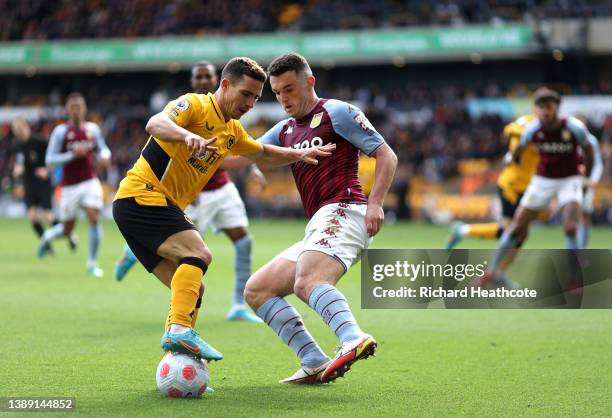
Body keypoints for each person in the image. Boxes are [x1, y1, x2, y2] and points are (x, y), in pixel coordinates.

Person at [112, 57, 335, 362]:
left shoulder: (232, 132)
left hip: (148, 206)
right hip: (142, 195)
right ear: (225, 84)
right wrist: (186, 134)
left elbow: (263, 153)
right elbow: (155, 124)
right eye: (246, 94)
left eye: (256, 98)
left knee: (194, 289)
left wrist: (299, 153)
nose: (250, 104)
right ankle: (178, 331)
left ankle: (180, 355)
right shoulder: (194, 105)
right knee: (200, 254)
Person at [242, 52, 398, 384]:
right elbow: (248, 150)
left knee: (308, 281)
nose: (284, 99)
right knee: (258, 290)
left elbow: (386, 154)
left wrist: (376, 204)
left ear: (309, 82)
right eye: (278, 92)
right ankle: (313, 359)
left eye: (289, 89)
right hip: (319, 222)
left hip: (346, 208)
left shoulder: (337, 112)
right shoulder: (284, 130)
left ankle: (353, 338)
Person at [114, 61, 266, 323]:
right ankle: (178, 325)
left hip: (220, 187)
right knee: (193, 256)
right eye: (200, 77)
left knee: (241, 240)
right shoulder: (191, 106)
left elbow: (240, 150)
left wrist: (254, 166)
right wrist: (186, 137)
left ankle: (234, 307)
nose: (205, 80)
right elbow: (160, 130)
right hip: (182, 194)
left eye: (209, 75)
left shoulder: (229, 120)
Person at [476, 87, 593, 288]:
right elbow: (519, 149)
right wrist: (512, 158)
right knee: (516, 229)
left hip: (569, 179)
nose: (546, 112)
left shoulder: (574, 127)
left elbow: (589, 151)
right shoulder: (532, 129)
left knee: (571, 227)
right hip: (543, 179)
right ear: (536, 109)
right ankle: (491, 273)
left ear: (557, 107)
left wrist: (585, 179)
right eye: (541, 107)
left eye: (550, 107)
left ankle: (573, 279)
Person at [39, 93, 111, 278]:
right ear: (67, 110)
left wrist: (105, 156)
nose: (77, 110)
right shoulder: (61, 132)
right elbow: (49, 160)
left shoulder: (93, 129)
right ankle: (47, 237)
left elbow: (102, 147)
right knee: (67, 229)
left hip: (89, 180)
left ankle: (92, 264)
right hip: (69, 186)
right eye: (73, 107)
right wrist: (72, 156)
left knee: (93, 217)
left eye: (79, 106)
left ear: (85, 108)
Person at [10, 117, 55, 251]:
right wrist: (17, 169)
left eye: (19, 129)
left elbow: (53, 156)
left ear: (26, 127)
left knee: (48, 217)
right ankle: (46, 244)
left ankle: (68, 233)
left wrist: (47, 170)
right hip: (28, 182)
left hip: (42, 182)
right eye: (15, 131)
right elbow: (19, 161)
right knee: (32, 217)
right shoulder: (17, 145)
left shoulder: (40, 141)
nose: (18, 133)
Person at [574, 115, 604, 249]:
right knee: (571, 215)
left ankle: (581, 249)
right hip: (570, 181)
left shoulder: (591, 141)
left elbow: (597, 163)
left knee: (585, 215)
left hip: (586, 181)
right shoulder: (567, 139)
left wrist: (594, 179)